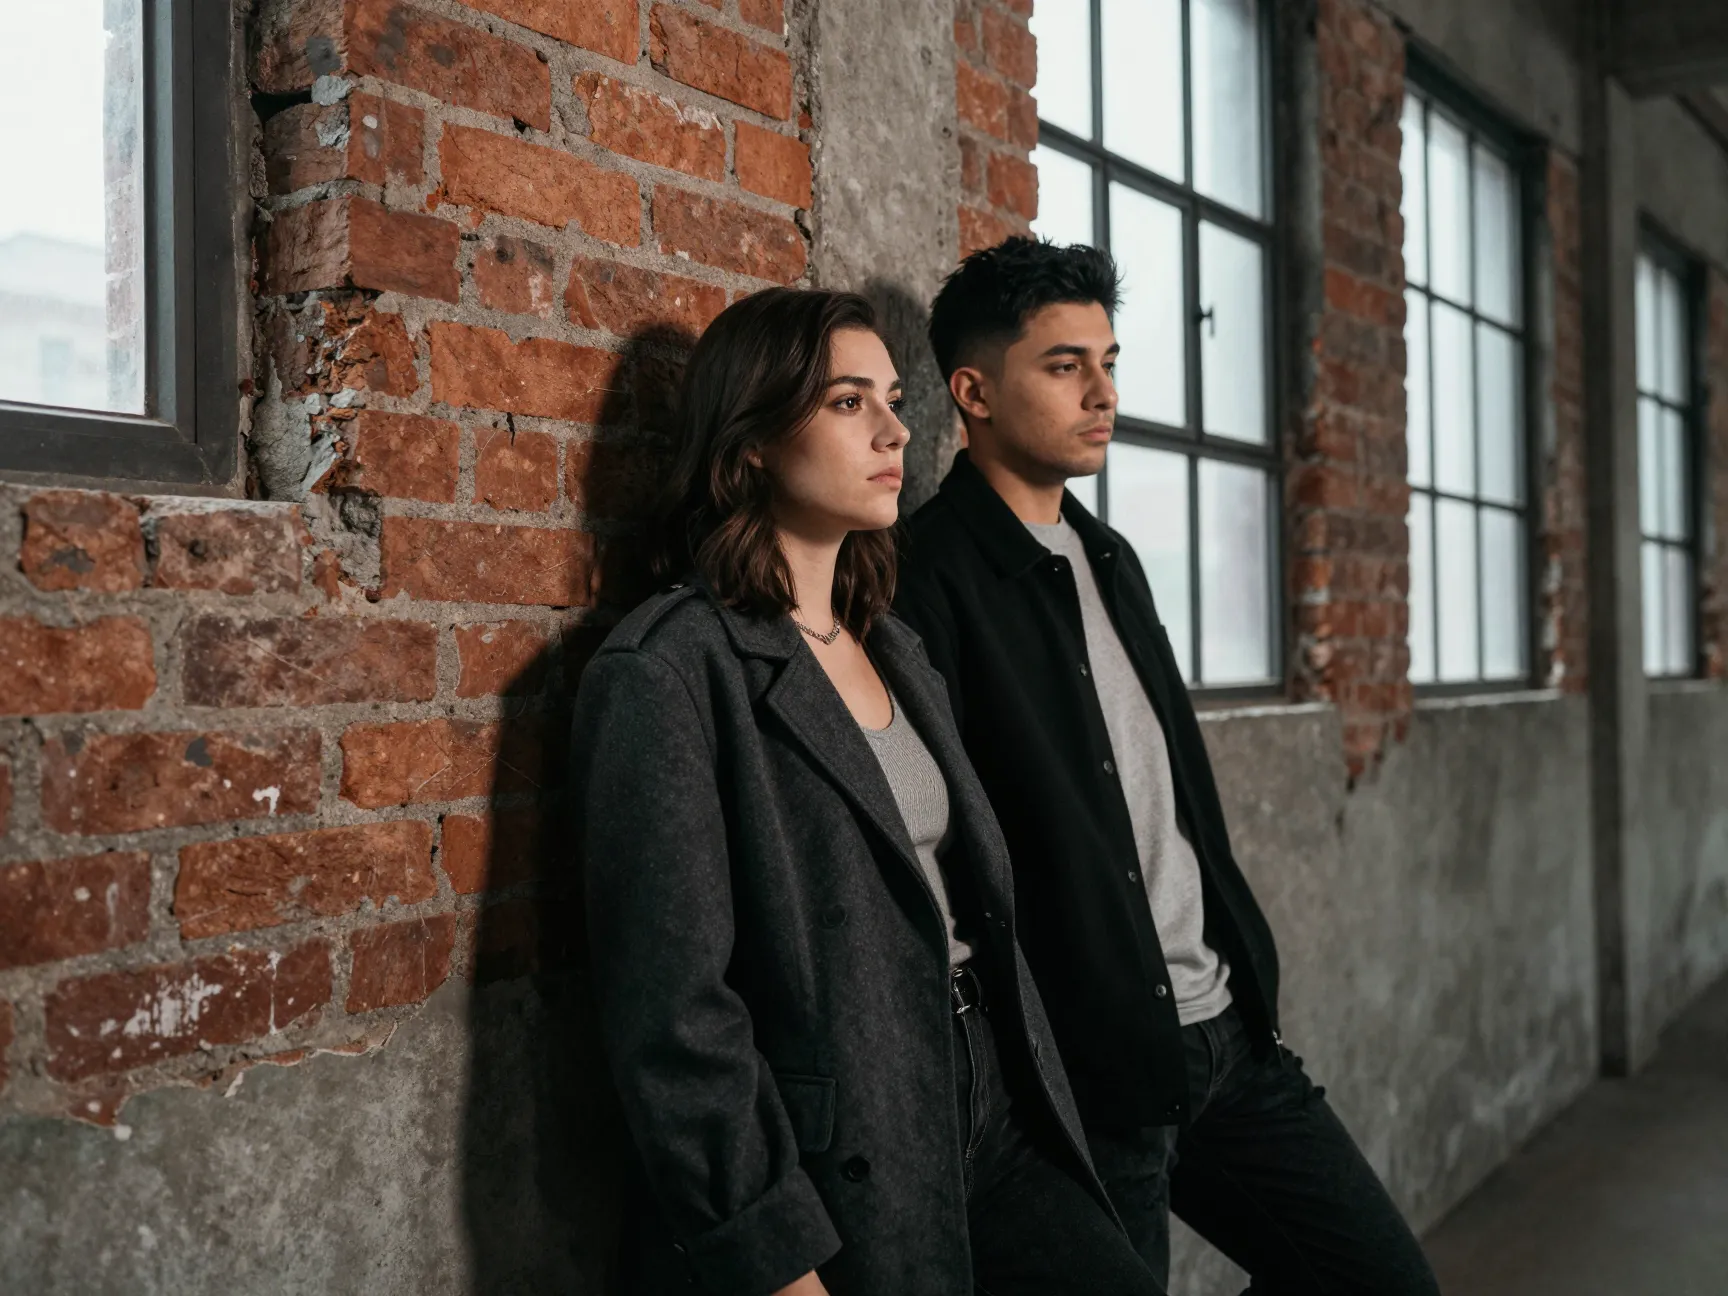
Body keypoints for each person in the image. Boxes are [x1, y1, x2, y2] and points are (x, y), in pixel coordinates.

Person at [571, 286, 1164, 1296]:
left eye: (891, 398)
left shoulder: (893, 645)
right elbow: (675, 1014)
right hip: (851, 1122)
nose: (895, 430)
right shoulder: (670, 672)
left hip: (994, 1085)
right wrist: (770, 1250)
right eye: (849, 403)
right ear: (751, 439)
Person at [894, 237, 1442, 1295]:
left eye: (1108, 360)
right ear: (974, 392)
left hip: (1227, 1035)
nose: (1104, 392)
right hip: (1096, 1076)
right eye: (1065, 366)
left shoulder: (1111, 557)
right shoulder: (927, 582)